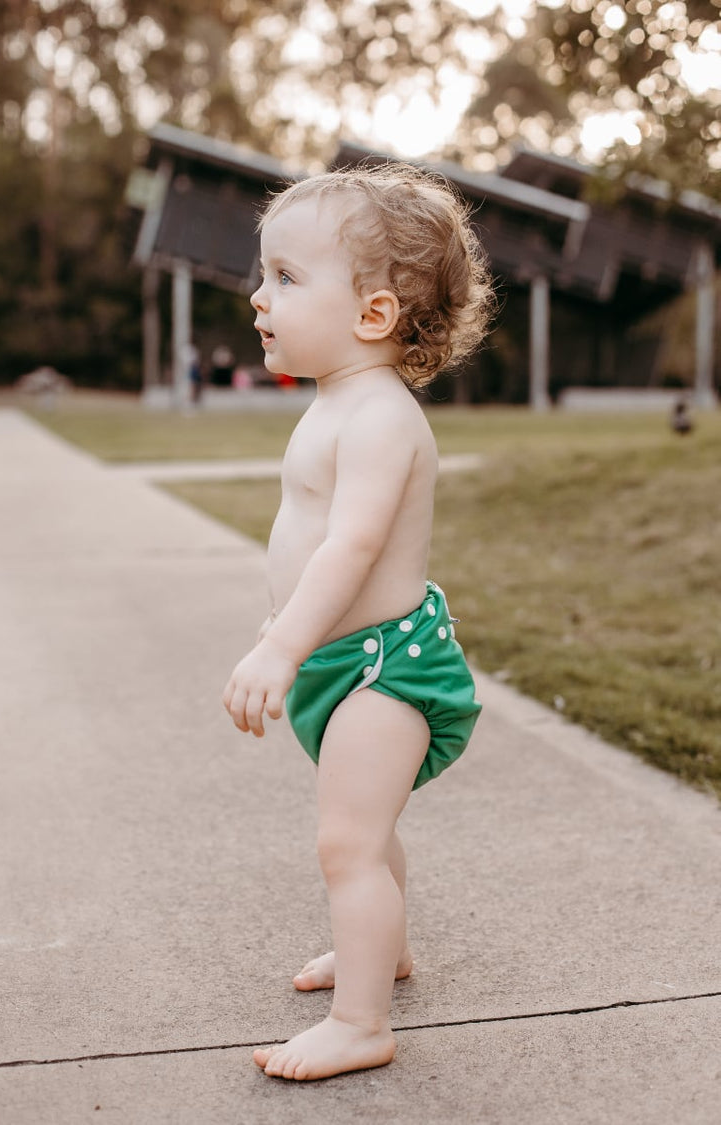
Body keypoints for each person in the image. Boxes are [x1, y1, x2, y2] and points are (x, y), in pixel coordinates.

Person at [222, 162, 494, 1081]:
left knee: (346, 841)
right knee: (368, 833)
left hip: (385, 670)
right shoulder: (336, 399)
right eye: (265, 274)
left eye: (287, 278)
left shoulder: (379, 416)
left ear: (372, 315)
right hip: (344, 664)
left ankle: (362, 1020)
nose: (259, 295)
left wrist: (279, 642)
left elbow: (348, 548)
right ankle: (386, 946)